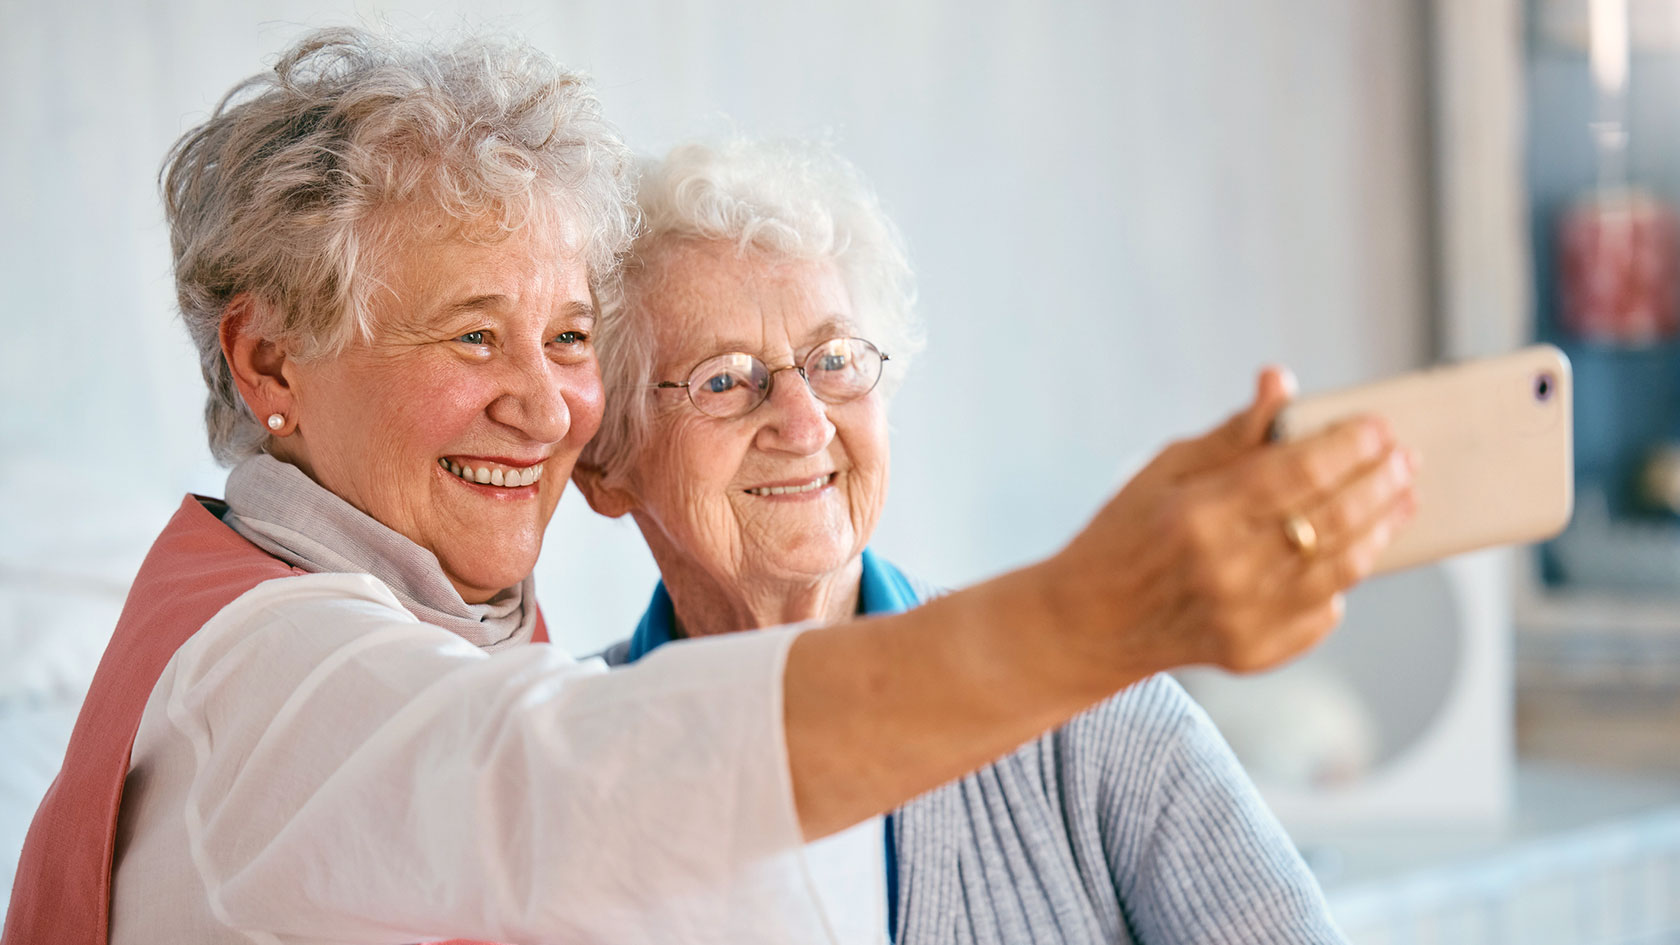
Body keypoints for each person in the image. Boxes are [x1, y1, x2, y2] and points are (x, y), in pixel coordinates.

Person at [2, 27, 1414, 945]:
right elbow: (568, 783)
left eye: (564, 339)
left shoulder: (469, 646)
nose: (538, 399)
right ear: (271, 361)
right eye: (471, 333)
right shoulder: (281, 664)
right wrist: (1099, 610)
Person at [573, 138, 1408, 944]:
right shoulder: (561, 766)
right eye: (724, 379)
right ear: (607, 462)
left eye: (832, 361)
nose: (803, 420)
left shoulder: (1097, 714)